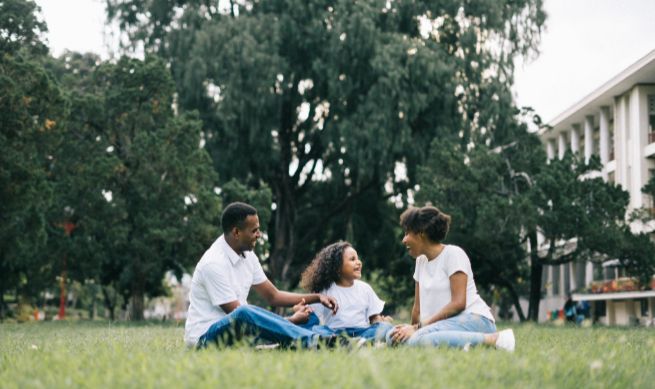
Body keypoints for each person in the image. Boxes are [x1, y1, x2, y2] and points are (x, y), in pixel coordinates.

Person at [184, 202, 338, 349]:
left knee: (309, 317)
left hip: (241, 334)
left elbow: (274, 296)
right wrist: (291, 320)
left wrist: (317, 298)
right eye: (254, 230)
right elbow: (241, 318)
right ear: (236, 232)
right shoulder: (213, 263)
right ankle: (312, 341)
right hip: (206, 339)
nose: (259, 234)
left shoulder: (248, 255)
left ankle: (336, 340)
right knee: (243, 311)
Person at [388, 205, 515, 352]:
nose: (404, 240)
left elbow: (458, 303)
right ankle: (458, 343)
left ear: (420, 233)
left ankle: (495, 339)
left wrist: (418, 329)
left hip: (474, 319)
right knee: (392, 336)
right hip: (442, 324)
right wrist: (411, 329)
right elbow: (417, 309)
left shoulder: (453, 254)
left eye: (407, 233)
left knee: (417, 340)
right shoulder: (420, 261)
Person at [297, 241, 394, 345]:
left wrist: (380, 322)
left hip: (362, 332)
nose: (359, 262)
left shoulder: (365, 288)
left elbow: (374, 318)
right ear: (337, 267)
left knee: (386, 327)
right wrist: (301, 309)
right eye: (352, 259)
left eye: (358, 258)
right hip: (334, 333)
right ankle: (350, 343)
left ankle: (359, 342)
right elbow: (311, 316)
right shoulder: (324, 291)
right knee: (317, 330)